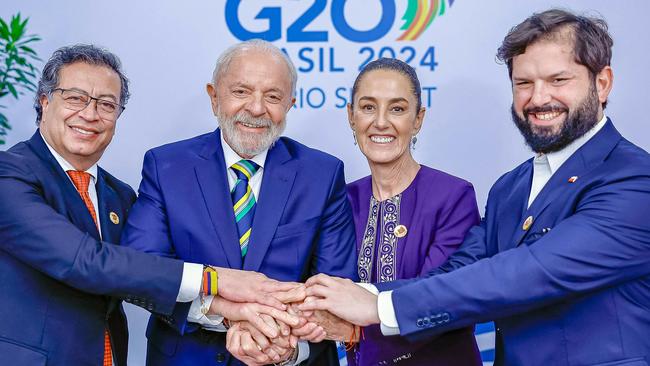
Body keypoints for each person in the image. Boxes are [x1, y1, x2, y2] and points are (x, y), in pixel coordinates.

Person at [301, 9, 650, 366]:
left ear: (602, 83)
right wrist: (355, 297)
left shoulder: (634, 181)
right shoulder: (510, 188)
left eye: (558, 80)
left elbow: (530, 272)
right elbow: (460, 271)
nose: (539, 98)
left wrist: (377, 305)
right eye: (524, 83)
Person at [0, 44, 297, 366]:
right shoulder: (9, 173)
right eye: (75, 98)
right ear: (44, 101)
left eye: (106, 104)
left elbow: (141, 278)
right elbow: (84, 261)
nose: (89, 114)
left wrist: (230, 310)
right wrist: (217, 279)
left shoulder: (119, 195)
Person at [120, 39, 357, 366]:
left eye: (273, 96)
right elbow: (143, 270)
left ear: (290, 103)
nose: (257, 108)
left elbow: (335, 286)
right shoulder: (166, 167)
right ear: (214, 96)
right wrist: (226, 313)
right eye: (241, 92)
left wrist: (284, 345)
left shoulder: (323, 174)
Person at [341, 58, 481, 365]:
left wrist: (352, 306)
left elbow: (443, 297)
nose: (380, 122)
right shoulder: (341, 200)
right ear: (351, 116)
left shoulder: (452, 196)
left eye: (397, 108)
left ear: (418, 119)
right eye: (367, 107)